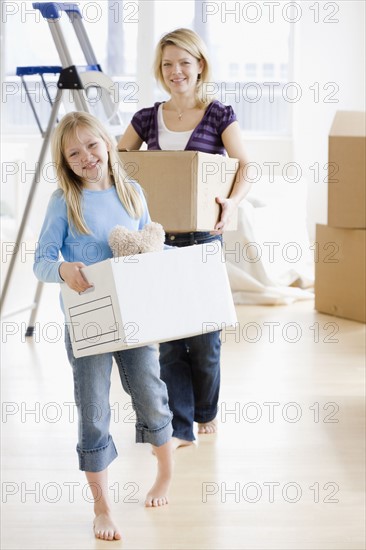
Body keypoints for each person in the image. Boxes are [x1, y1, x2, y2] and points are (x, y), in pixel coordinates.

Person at [33, 111, 173, 541]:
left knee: (150, 394)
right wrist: (64, 270)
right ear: (65, 161)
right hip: (88, 322)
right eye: (73, 152)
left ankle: (165, 473)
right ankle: (102, 506)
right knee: (93, 409)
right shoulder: (64, 202)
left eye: (92, 145)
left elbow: (149, 247)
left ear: (108, 144)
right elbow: (41, 261)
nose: (86, 156)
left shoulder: (133, 194)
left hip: (133, 318)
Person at [118, 28, 251, 449]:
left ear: (199, 66)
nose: (176, 71)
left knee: (205, 340)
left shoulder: (218, 115)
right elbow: (117, 166)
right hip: (160, 240)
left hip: (203, 238)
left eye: (183, 63)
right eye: (167, 64)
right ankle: (180, 425)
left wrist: (231, 203)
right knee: (171, 342)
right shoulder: (145, 118)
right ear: (161, 70)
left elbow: (246, 165)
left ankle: (206, 409)